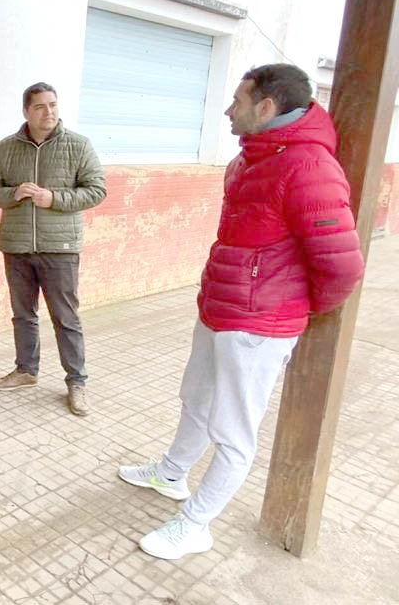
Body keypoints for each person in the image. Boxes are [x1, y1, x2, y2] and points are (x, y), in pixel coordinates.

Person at [117, 64, 365, 560]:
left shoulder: (310, 167)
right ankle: (171, 474)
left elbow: (342, 266)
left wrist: (294, 309)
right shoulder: (251, 157)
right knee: (196, 399)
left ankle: (195, 525)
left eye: (238, 101)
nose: (229, 110)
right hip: (220, 308)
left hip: (259, 324)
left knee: (233, 432)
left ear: (266, 107)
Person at [0, 82, 106, 416]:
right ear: (26, 111)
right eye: (40, 106)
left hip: (60, 248)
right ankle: (26, 370)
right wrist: (14, 193)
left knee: (66, 318)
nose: (48, 112)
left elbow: (97, 190)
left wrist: (54, 199)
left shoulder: (78, 145)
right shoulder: (7, 148)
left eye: (53, 105)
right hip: (17, 245)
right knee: (23, 314)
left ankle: (76, 382)